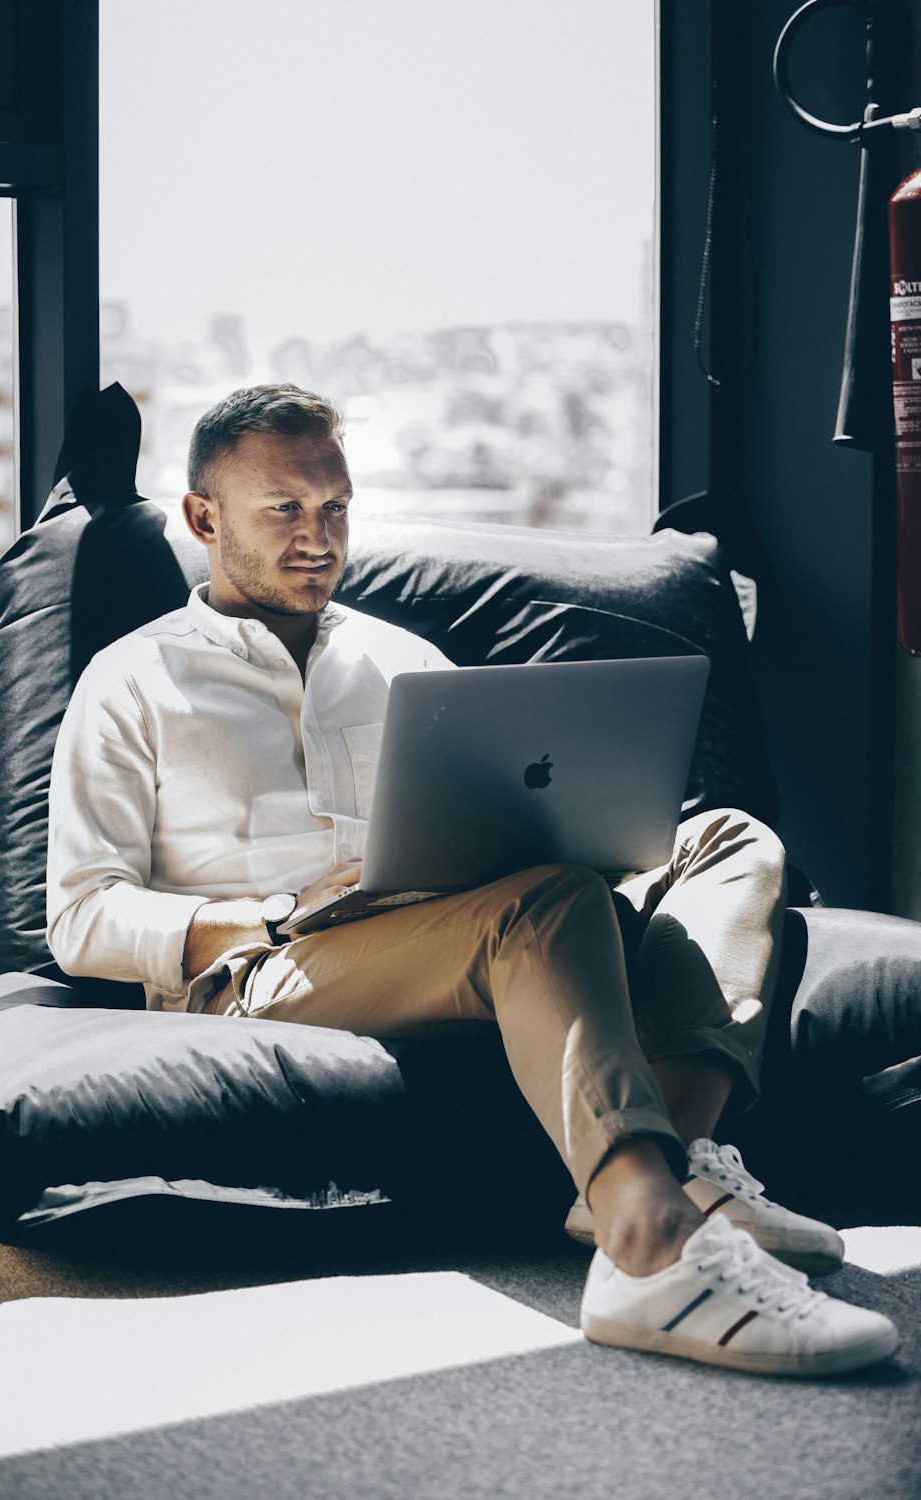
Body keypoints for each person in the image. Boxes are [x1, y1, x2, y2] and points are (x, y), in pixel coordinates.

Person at [46, 383, 898, 1377]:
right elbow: (80, 918)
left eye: (334, 507)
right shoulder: (131, 679)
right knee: (544, 910)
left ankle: (671, 1157)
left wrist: (555, 837)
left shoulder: (403, 658)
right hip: (262, 973)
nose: (316, 535)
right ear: (203, 517)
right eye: (283, 508)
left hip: (451, 920)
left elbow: (491, 808)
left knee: (726, 838)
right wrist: (278, 912)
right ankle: (649, 1251)